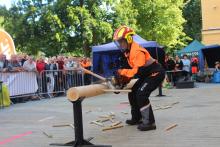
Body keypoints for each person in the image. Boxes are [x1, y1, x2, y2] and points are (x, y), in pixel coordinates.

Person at [113, 26, 165, 131]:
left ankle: (149, 122)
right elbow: (131, 72)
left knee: (141, 94)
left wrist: (122, 72)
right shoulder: (128, 52)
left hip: (155, 73)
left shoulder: (137, 51)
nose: (120, 44)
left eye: (121, 41)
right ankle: (137, 118)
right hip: (146, 74)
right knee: (132, 92)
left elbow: (137, 71)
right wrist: (122, 82)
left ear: (129, 39)